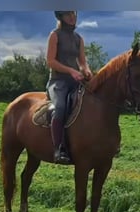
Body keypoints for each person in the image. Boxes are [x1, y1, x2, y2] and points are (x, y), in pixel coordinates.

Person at [46, 11, 93, 164]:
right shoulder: (55, 35)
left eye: (73, 13)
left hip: (75, 82)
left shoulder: (78, 39)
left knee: (94, 102)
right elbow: (51, 62)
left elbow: (82, 62)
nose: (72, 17)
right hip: (58, 82)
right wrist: (71, 70)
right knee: (60, 107)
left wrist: (86, 71)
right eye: (68, 14)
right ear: (61, 17)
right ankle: (59, 149)